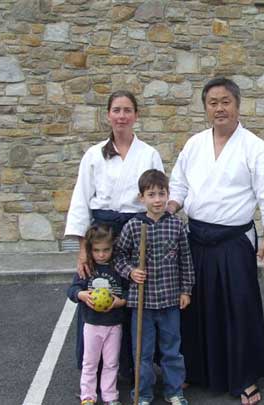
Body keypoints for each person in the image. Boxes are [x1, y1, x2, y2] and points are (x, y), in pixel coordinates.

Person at [167, 77, 264, 405]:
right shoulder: (194, 144)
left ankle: (243, 376)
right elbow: (178, 185)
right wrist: (168, 211)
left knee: (240, 307)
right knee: (196, 307)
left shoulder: (254, 146)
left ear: (237, 105)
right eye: (213, 102)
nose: (219, 108)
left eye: (225, 102)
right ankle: (196, 369)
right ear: (205, 108)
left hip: (234, 240)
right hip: (196, 238)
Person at [64, 90, 164, 375]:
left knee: (134, 300)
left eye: (128, 110)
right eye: (117, 110)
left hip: (136, 233)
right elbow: (81, 201)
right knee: (97, 295)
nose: (122, 116)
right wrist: (82, 249)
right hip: (101, 237)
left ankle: (133, 369)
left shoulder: (149, 154)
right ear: (108, 115)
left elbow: (156, 199)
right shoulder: (94, 155)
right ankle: (92, 370)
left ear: (136, 115)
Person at [114, 169, 194, 405]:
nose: (157, 199)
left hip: (170, 301)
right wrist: (130, 271)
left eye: (162, 193)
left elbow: (185, 261)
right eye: (151, 194)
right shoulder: (133, 226)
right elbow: (118, 257)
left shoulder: (176, 226)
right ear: (142, 198)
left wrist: (185, 290)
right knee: (143, 352)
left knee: (172, 351)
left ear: (168, 195)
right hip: (142, 303)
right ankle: (143, 393)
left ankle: (174, 391)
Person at [67, 224, 127, 405]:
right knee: (90, 362)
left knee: (111, 363)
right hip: (92, 324)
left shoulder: (118, 268)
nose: (101, 254)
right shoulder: (87, 269)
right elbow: (72, 289)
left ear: (112, 248)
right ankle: (88, 396)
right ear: (90, 250)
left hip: (114, 324)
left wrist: (121, 301)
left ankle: (110, 396)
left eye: (106, 250)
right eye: (96, 250)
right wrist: (82, 295)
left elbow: (127, 291)